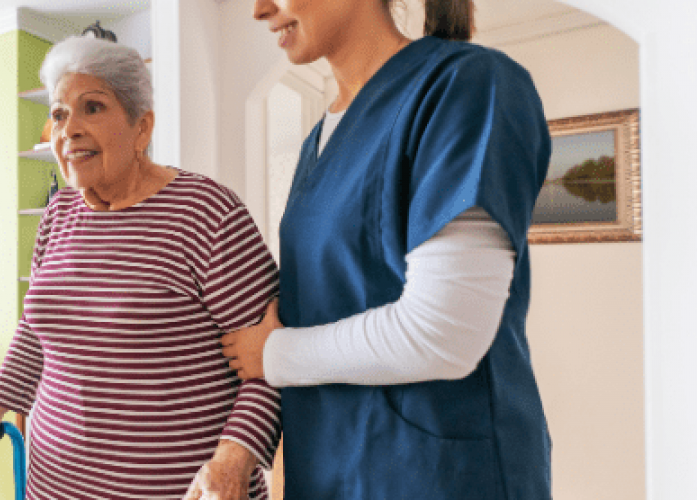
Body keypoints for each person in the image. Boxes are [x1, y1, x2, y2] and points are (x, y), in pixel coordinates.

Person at [221, 1, 552, 498]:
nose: (259, 9)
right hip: (332, 469)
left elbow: (444, 333)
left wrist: (274, 354)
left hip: (436, 476)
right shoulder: (318, 140)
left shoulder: (467, 86)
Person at [0, 36, 281, 500]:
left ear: (141, 127)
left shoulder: (206, 212)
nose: (69, 130)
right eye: (60, 114)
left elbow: (269, 364)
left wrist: (232, 460)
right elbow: (33, 332)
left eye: (93, 107)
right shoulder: (57, 216)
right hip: (52, 486)